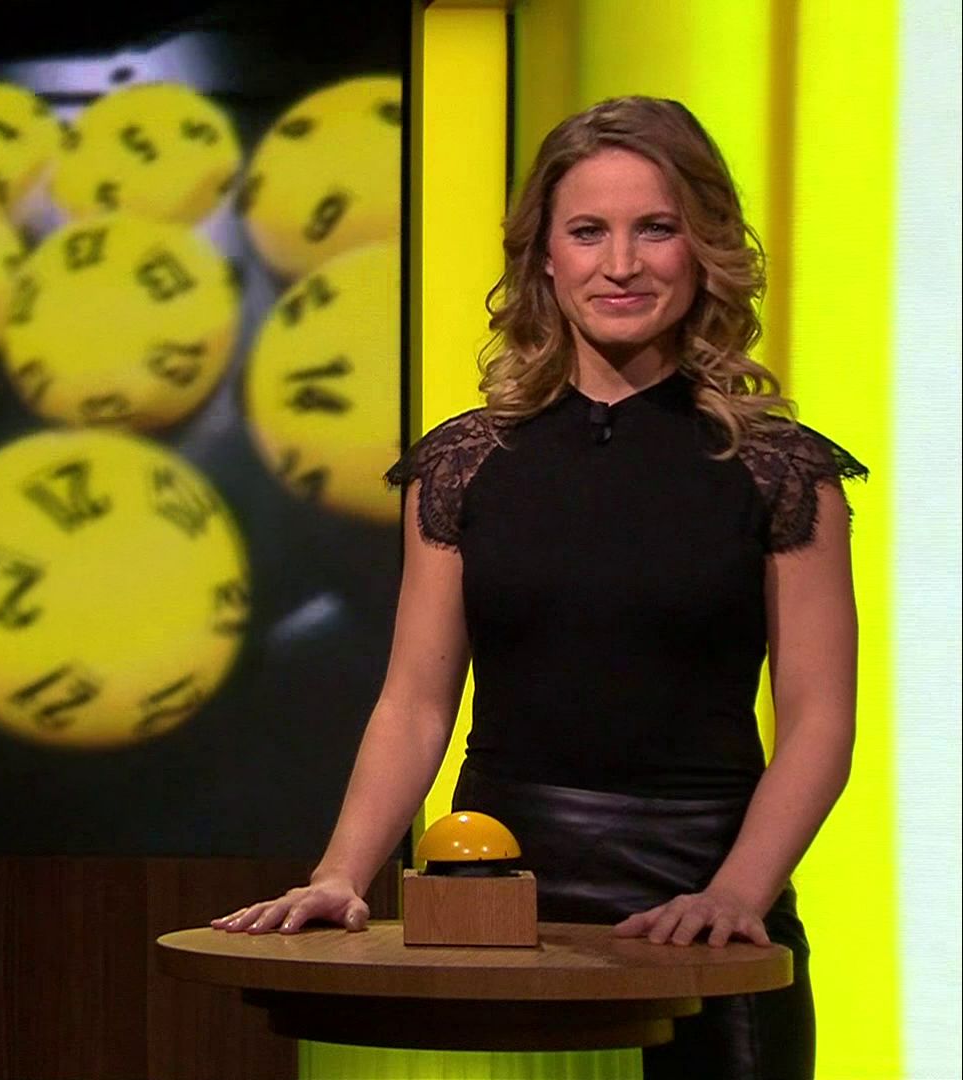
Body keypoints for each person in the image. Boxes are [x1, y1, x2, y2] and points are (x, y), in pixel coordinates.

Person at [211, 96, 864, 1079]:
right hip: (488, 892)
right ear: (544, 257)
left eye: (657, 229)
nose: (621, 264)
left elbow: (819, 722)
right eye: (588, 231)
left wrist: (738, 895)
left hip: (704, 896)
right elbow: (414, 703)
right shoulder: (463, 465)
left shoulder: (780, 471)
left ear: (705, 249)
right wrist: (342, 873)